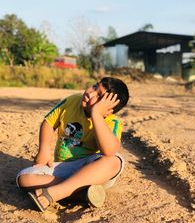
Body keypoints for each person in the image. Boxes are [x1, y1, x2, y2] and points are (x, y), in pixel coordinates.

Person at [16, 77, 129, 212]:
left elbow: (109, 151)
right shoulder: (72, 101)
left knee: (115, 160)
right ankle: (82, 193)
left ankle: (54, 193)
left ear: (109, 110)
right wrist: (44, 149)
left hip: (92, 171)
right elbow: (49, 122)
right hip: (62, 169)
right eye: (94, 86)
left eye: (99, 96)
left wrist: (96, 115)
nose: (90, 92)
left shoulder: (112, 122)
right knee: (24, 178)